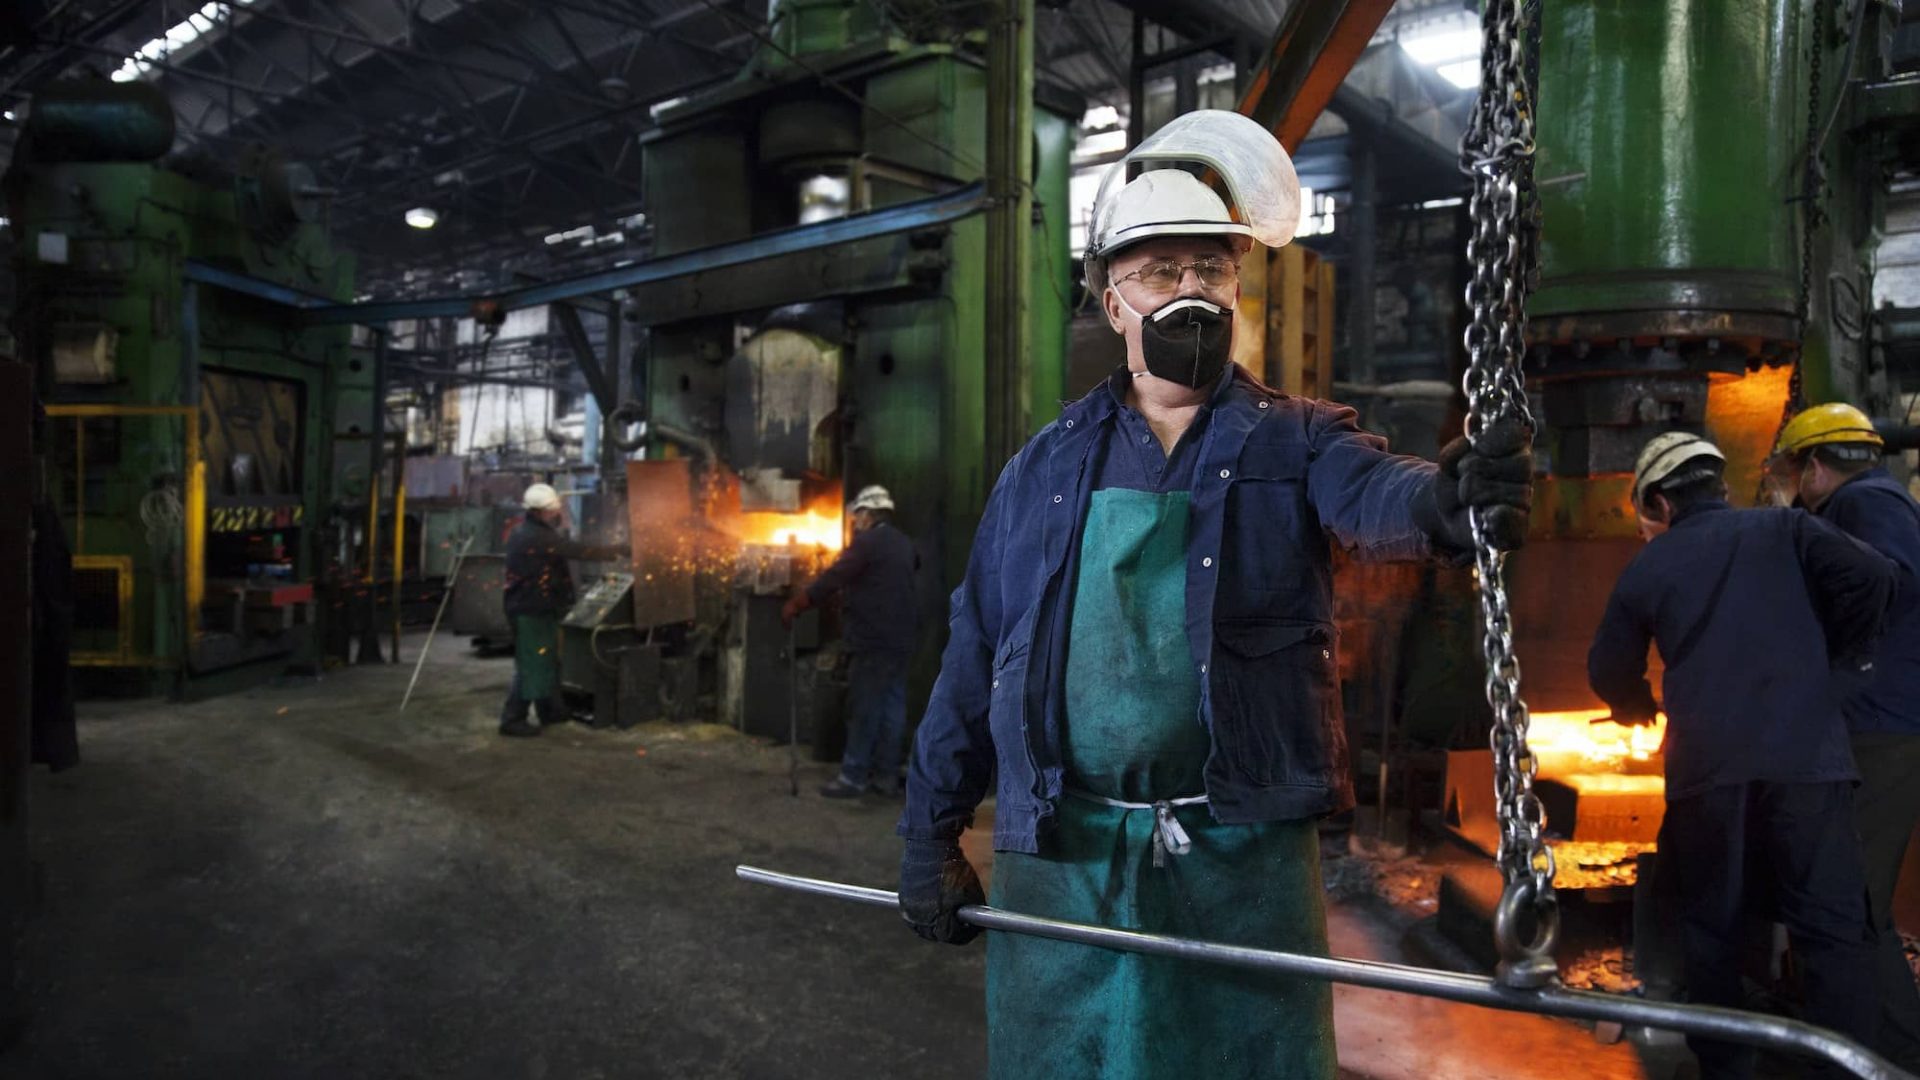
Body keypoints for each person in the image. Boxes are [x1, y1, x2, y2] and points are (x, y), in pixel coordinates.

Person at [892, 110, 1535, 1079]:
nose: (1190, 291)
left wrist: (1447, 504)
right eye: (1159, 272)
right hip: (1065, 849)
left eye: (1211, 270)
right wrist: (927, 835)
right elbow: (974, 657)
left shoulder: (1298, 437)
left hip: (1239, 848)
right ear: (1112, 304)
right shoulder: (1042, 470)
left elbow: (1378, 495)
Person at [1589, 431, 1896, 1080]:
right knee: (1834, 932)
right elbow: (1873, 576)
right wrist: (1834, 656)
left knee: (1712, 932)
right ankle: (1848, 1070)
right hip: (1809, 761)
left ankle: (1727, 1068)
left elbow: (1607, 667)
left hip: (1710, 773)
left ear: (1661, 503)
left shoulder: (1651, 562)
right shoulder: (1788, 528)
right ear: (1721, 488)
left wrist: (1635, 708)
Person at [1769, 403, 1920, 1071]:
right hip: (1874, 719)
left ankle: (1890, 1053)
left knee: (1856, 900)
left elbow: (1890, 584)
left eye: (1795, 474)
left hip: (1882, 726)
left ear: (1818, 466)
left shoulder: (1869, 503)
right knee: (1847, 894)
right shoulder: (1866, 501)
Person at [782, 485, 919, 798]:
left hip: (873, 640)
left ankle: (854, 775)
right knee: (891, 708)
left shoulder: (866, 544)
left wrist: (800, 602)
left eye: (858, 515)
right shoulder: (904, 544)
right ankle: (884, 776)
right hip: (902, 638)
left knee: (865, 707)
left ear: (868, 514)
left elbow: (834, 578)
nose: (855, 521)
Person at [499, 482, 624, 738]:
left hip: (533, 606)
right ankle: (512, 719)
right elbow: (576, 551)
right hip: (530, 609)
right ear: (544, 511)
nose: (556, 513)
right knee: (532, 664)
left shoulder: (525, 530)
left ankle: (550, 711)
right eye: (554, 510)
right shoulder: (539, 536)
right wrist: (616, 551)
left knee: (548, 660)